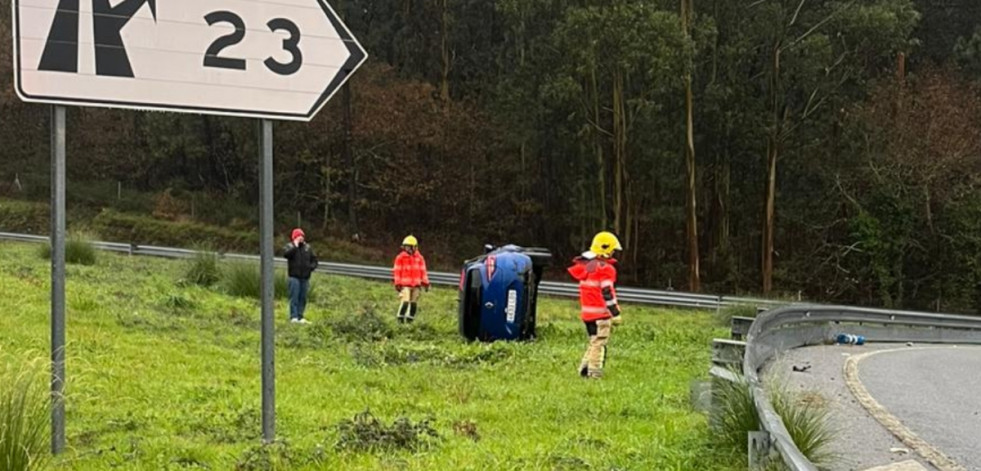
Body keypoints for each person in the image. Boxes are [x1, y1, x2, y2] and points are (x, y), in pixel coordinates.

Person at [567, 231, 623, 379]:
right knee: (599, 343)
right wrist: (615, 313)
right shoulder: (605, 269)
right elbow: (607, 293)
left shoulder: (586, 267)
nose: (613, 253)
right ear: (606, 249)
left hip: (587, 315)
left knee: (593, 342)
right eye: (612, 250)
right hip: (601, 315)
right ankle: (594, 373)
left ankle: (584, 369)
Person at [283, 228, 318, 324]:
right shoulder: (290, 246)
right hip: (294, 276)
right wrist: (295, 246)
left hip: (305, 277)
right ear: (294, 237)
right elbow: (286, 254)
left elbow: (314, 259)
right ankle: (293, 316)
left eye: (302, 236)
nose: (301, 238)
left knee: (303, 297)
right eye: (298, 236)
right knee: (294, 296)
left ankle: (300, 315)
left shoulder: (308, 248)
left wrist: (311, 267)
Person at [392, 235, 430, 323]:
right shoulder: (400, 258)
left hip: (416, 285)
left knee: (413, 302)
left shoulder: (420, 258)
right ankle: (400, 318)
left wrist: (426, 283)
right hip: (404, 285)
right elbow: (397, 271)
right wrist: (397, 283)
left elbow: (423, 271)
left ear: (414, 247)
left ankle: (410, 319)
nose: (407, 248)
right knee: (405, 301)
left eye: (409, 246)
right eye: (406, 246)